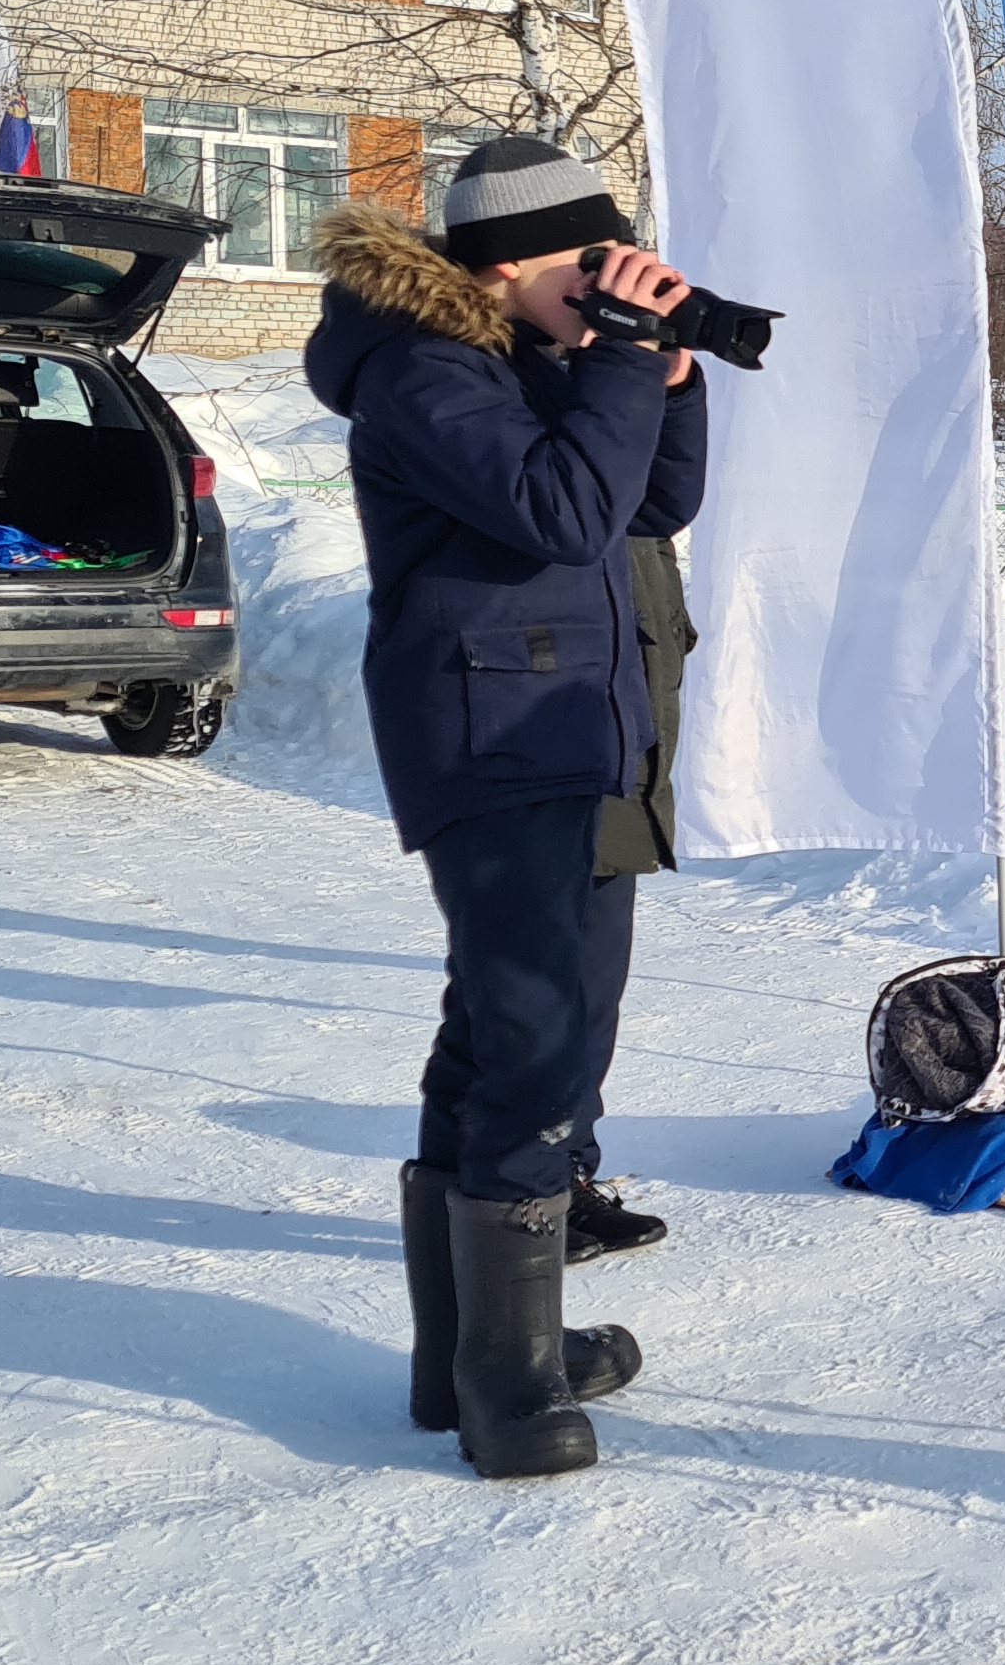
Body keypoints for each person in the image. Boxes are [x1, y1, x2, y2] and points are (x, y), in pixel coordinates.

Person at [304, 137, 709, 1479]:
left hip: (556, 729)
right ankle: (508, 1383)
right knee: (537, 1041)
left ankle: (465, 1358)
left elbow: (652, 498)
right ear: (503, 267)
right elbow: (562, 510)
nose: (609, 280)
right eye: (587, 263)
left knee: (505, 1029)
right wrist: (613, 358)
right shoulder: (423, 372)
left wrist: (667, 375)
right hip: (490, 741)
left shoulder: (520, 357)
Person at [564, 521, 697, 1257]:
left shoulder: (639, 523)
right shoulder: (552, 485)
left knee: (588, 1000)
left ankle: (563, 1178)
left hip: (622, 795)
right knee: (527, 1009)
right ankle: (510, 1200)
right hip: (543, 794)